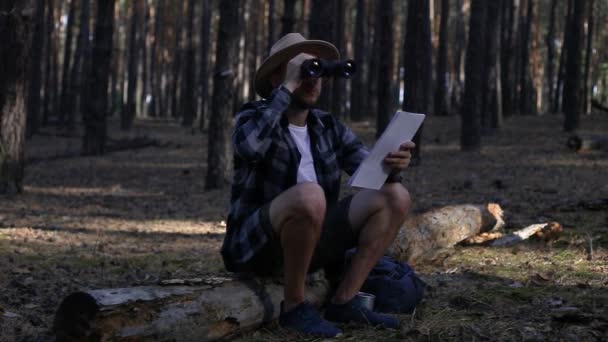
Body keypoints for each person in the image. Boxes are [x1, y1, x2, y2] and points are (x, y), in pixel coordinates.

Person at [221, 33, 415, 338]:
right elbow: (248, 147)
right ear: (277, 80)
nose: (313, 79)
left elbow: (370, 175)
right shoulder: (253, 116)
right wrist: (287, 87)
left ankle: (345, 301)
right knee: (311, 195)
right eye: (304, 70)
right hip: (257, 247)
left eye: (318, 71)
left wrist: (392, 167)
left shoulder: (327, 126)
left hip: (312, 240)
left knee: (395, 196)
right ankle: (294, 307)